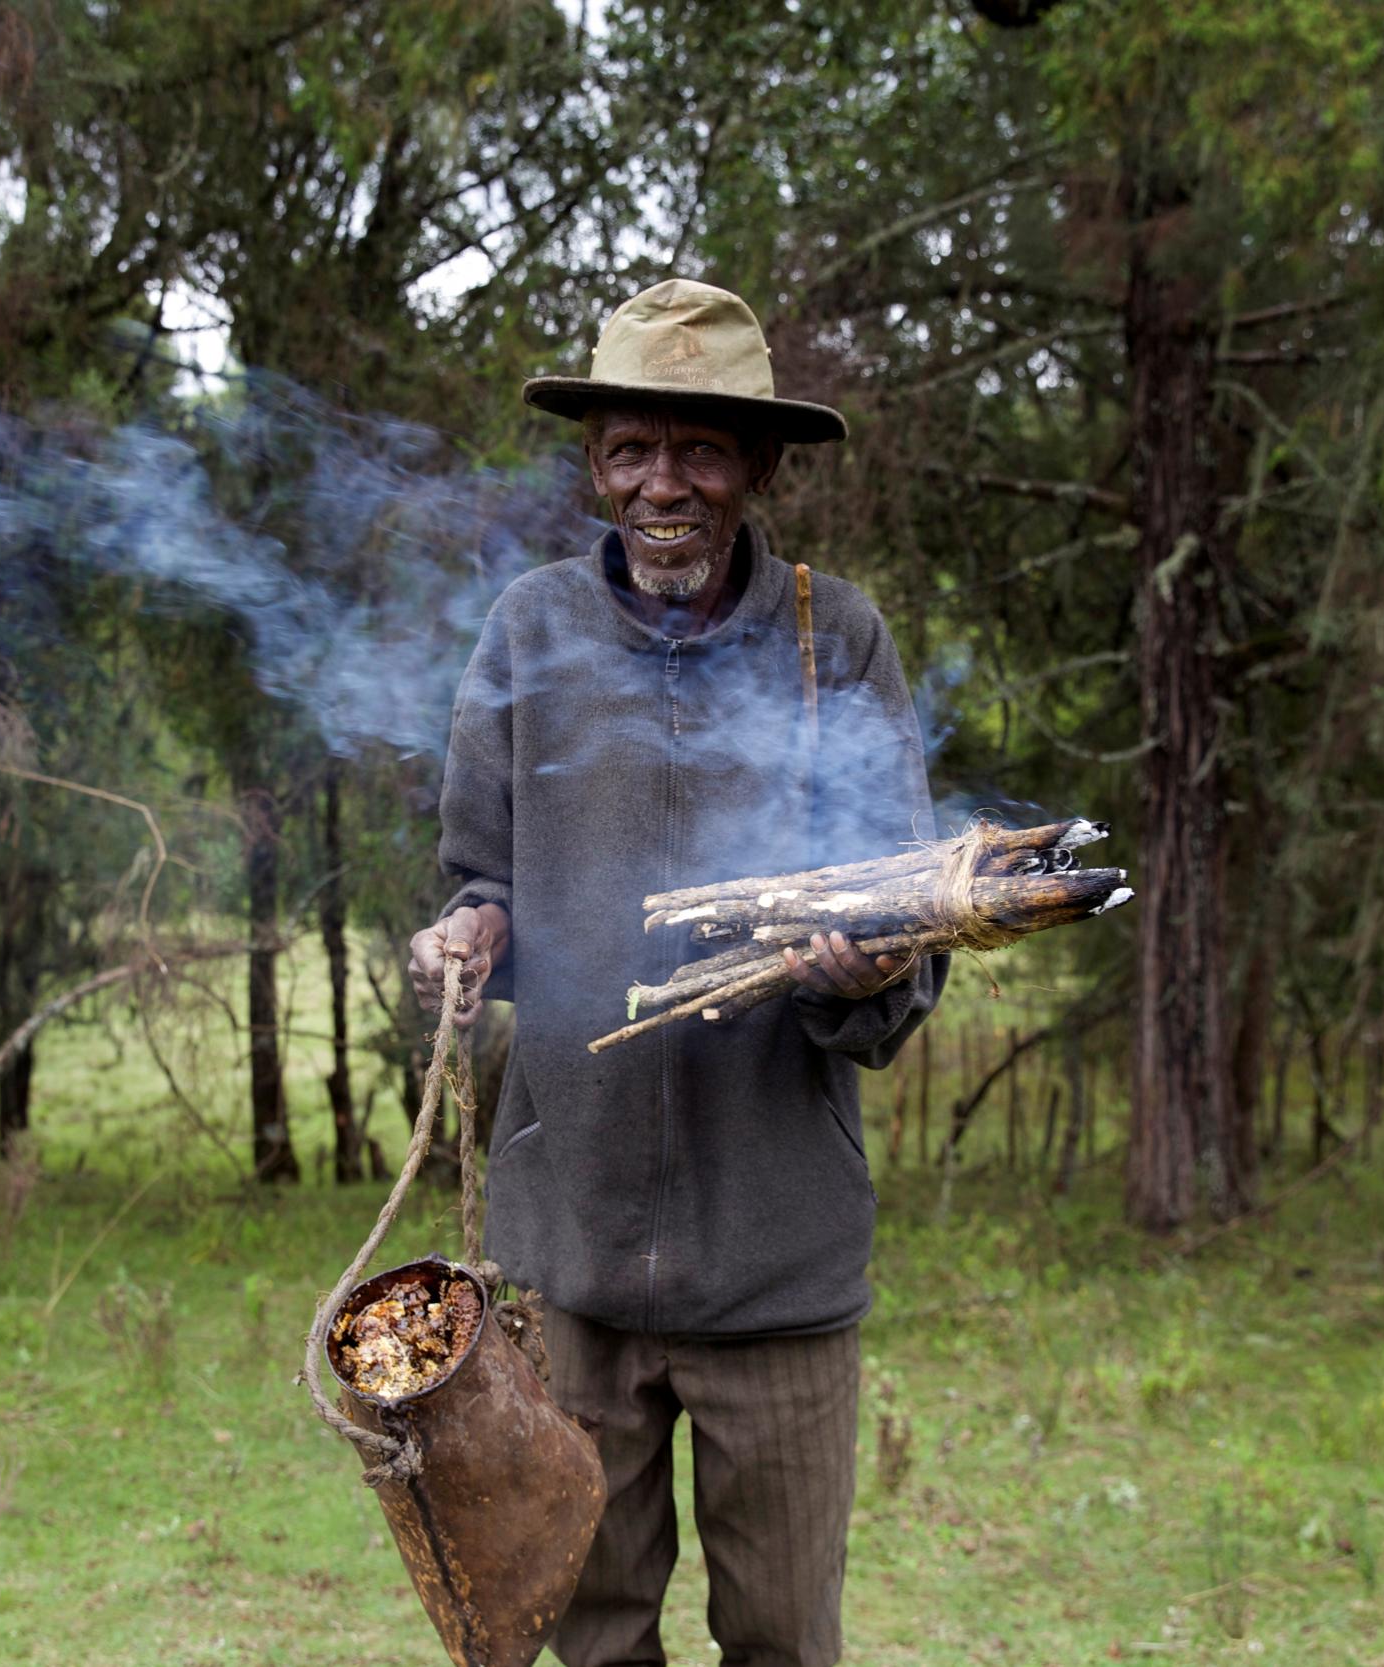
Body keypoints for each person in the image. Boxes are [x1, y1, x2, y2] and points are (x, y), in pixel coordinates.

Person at [410, 278, 944, 1667]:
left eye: (702, 449)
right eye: (633, 449)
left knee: (782, 1641)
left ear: (760, 467)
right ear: (594, 465)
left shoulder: (843, 644)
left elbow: (908, 949)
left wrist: (850, 975)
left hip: (777, 1265)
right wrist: (470, 930)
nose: (666, 484)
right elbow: (481, 877)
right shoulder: (526, 634)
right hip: (571, 1252)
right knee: (588, 1640)